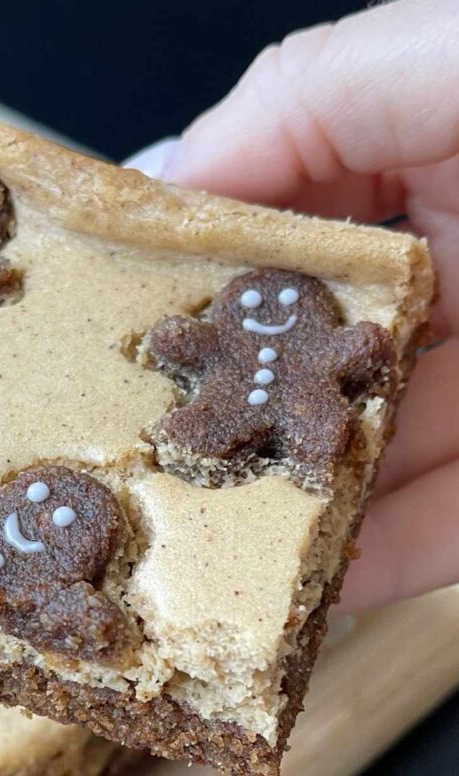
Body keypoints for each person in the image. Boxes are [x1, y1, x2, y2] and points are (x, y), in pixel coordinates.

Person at [126, 0, 459, 615]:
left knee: (319, 428)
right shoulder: (223, 338)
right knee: (207, 426)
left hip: (306, 400)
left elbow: (350, 348)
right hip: (224, 400)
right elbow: (186, 341)